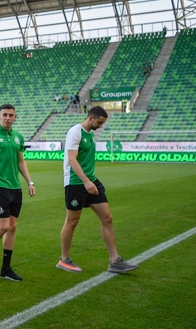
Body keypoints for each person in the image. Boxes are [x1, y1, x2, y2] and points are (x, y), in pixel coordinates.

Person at [57, 106, 139, 274]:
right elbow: (72, 160)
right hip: (75, 182)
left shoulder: (90, 134)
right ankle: (64, 259)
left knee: (107, 218)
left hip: (91, 180)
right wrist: (85, 181)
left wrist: (90, 180)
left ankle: (115, 261)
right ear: (91, 118)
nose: (101, 126)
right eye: (100, 122)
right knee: (72, 221)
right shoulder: (75, 132)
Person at [0, 104, 35, 281]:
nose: (8, 118)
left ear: (15, 117)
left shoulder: (18, 137)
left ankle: (5, 269)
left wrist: (29, 182)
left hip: (15, 187)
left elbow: (21, 162)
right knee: (3, 226)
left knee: (12, 227)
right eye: (5, 115)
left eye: (11, 115)